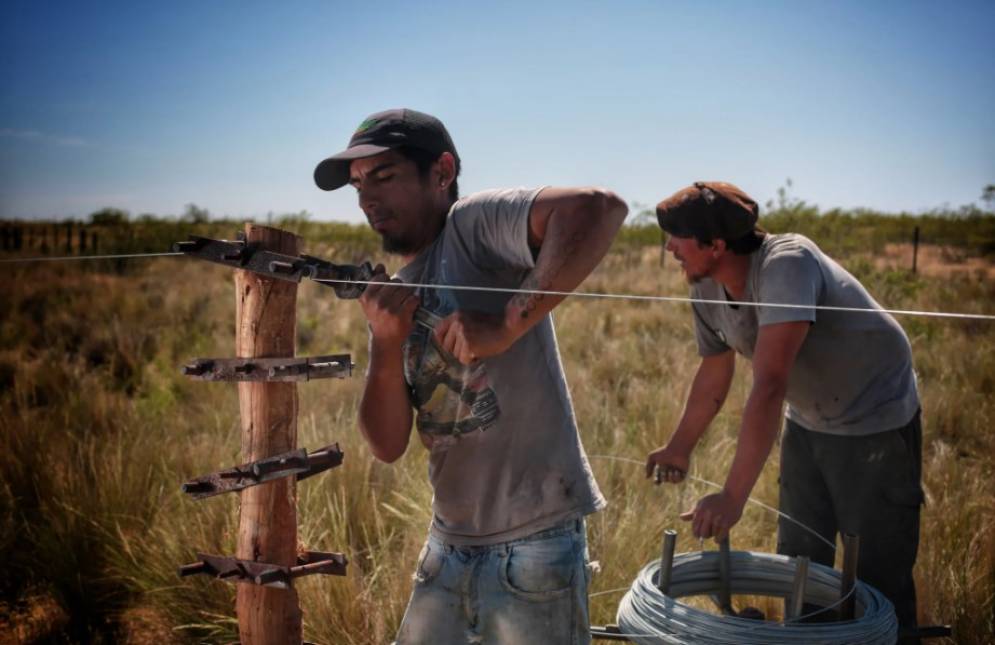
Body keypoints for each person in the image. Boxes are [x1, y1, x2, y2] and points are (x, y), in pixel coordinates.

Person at [314, 108, 627, 644]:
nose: (367, 198)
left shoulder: (472, 226)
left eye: (384, 176)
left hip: (534, 539)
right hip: (447, 542)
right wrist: (387, 345)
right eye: (358, 185)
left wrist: (509, 324)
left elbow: (598, 208)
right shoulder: (396, 291)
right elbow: (387, 446)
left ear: (441, 171)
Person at [644, 181, 923, 635]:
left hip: (875, 415)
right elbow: (714, 375)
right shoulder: (706, 287)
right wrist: (679, 446)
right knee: (802, 564)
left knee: (876, 576)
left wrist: (733, 497)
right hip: (808, 418)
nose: (669, 247)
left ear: (716, 244)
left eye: (677, 236)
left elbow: (770, 384)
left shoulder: (786, 263)